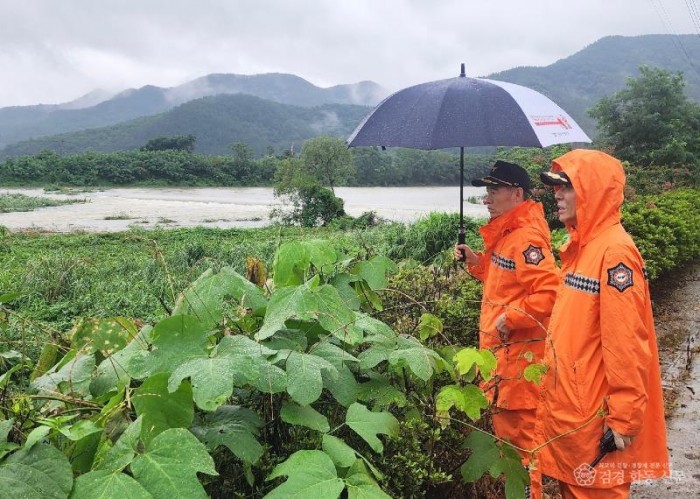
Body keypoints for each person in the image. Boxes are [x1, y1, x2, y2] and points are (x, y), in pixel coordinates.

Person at [534, 149, 669, 498]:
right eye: (556, 188)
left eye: (566, 187)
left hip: (594, 419)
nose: (557, 196)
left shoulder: (614, 253)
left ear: (592, 189)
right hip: (574, 412)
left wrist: (623, 419)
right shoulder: (582, 246)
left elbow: (626, 342)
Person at [454, 160, 559, 495]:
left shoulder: (526, 238)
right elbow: (503, 279)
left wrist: (511, 318)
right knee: (507, 451)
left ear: (516, 193)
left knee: (522, 453)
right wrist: (476, 261)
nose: (487, 198)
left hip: (519, 365)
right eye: (487, 191)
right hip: (502, 361)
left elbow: (549, 292)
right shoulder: (506, 232)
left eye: (494, 191)